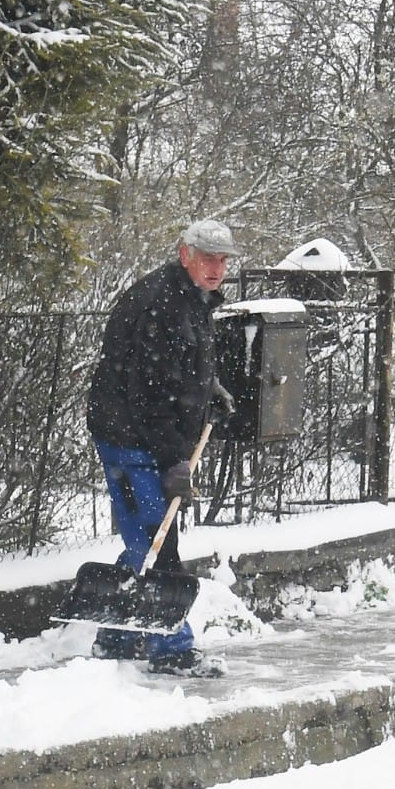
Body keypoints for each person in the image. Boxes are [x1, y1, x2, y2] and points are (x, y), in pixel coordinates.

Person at [84, 219, 241, 676]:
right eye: (208, 257)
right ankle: (170, 649)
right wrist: (174, 460)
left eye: (223, 259)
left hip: (148, 431)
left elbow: (179, 367)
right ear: (184, 253)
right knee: (158, 539)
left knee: (146, 535)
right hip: (128, 436)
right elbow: (149, 393)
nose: (217, 268)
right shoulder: (158, 304)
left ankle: (115, 635)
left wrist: (208, 388)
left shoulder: (193, 298)